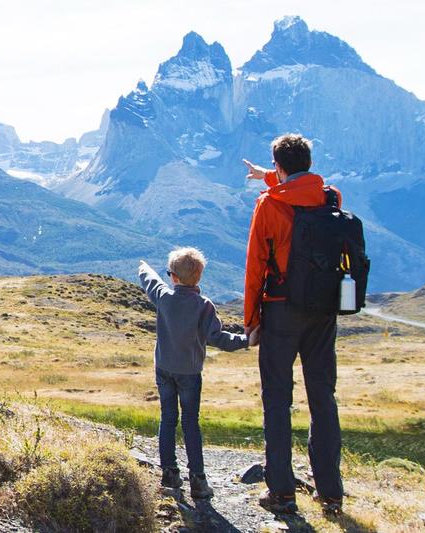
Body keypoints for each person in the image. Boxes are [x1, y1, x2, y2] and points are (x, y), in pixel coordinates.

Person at [242, 134, 345, 516]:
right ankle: (331, 492)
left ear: (280, 164)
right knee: (323, 398)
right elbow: (304, 192)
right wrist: (271, 175)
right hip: (323, 311)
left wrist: (251, 319)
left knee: (277, 400)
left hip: (281, 311)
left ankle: (283, 492)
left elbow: (255, 266)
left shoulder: (269, 205)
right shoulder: (332, 198)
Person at [138, 248, 254, 499]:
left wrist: (143, 267)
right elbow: (219, 339)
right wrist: (247, 340)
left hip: (164, 369)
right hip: (190, 373)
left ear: (174, 277)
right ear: (198, 277)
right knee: (191, 422)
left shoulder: (164, 297)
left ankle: (169, 474)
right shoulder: (204, 306)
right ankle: (198, 482)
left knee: (168, 419)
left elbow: (150, 281)